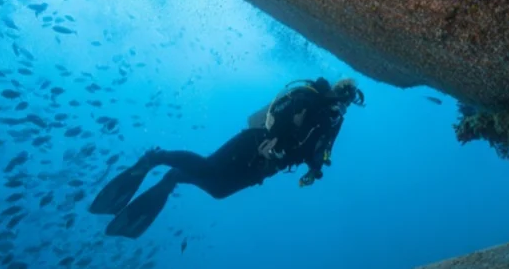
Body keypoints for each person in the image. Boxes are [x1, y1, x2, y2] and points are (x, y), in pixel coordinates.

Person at [90, 77, 364, 239]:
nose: (344, 105)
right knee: (209, 168)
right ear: (336, 91)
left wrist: (314, 170)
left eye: (349, 102)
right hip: (253, 143)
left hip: (266, 168)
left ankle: (174, 177)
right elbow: (282, 112)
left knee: (218, 190)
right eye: (344, 96)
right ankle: (157, 158)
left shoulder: (333, 123)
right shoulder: (310, 96)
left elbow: (319, 151)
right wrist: (276, 138)